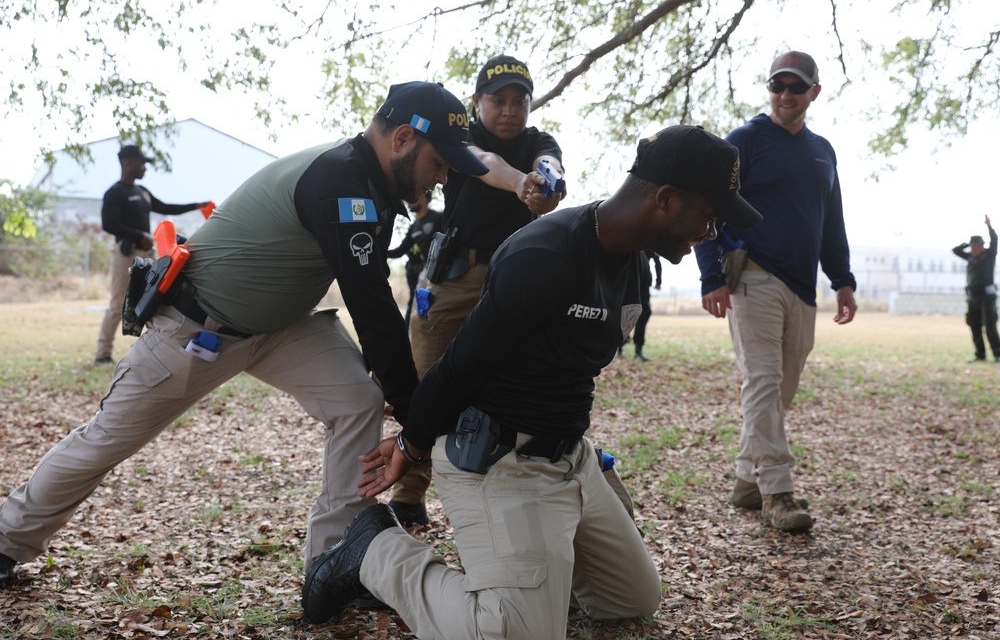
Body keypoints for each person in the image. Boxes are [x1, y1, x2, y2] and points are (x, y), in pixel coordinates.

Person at [0, 81, 488, 590]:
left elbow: (370, 299)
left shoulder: (377, 182)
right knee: (104, 441)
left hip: (280, 325)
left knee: (357, 401)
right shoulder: (340, 178)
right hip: (196, 327)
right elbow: (371, 302)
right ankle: (5, 540)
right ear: (404, 138)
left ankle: (335, 563)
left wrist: (396, 393)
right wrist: (417, 420)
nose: (445, 175)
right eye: (441, 161)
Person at [300, 125, 763, 639]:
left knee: (630, 597)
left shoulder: (629, 264)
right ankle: (373, 548)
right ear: (667, 199)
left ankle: (543, 568)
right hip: (498, 459)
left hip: (569, 460)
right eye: (709, 215)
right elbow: (459, 368)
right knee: (516, 634)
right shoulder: (546, 255)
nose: (710, 231)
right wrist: (412, 442)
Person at [392, 54, 567, 526]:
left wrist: (547, 179)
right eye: (498, 100)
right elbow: (485, 163)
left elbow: (548, 161)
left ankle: (508, 492)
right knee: (425, 383)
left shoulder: (538, 142)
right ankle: (408, 495)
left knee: (515, 386)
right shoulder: (460, 135)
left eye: (519, 101)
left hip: (516, 282)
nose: (508, 110)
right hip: (453, 278)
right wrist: (522, 184)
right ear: (477, 102)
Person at [694, 50, 857, 533]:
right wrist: (711, 276)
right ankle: (777, 493)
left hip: (803, 287)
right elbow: (707, 205)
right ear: (769, 90)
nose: (785, 95)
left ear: (814, 93)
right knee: (762, 381)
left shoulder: (823, 150)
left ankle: (747, 479)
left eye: (796, 87)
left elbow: (831, 221)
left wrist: (843, 280)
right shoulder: (743, 141)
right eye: (777, 86)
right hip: (753, 278)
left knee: (781, 390)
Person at [95, 145, 210, 364]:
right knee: (118, 302)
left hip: (148, 253)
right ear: (129, 163)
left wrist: (196, 205)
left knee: (154, 300)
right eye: (142, 163)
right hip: (125, 254)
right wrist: (138, 235)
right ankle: (103, 354)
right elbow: (108, 223)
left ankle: (152, 350)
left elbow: (166, 207)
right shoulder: (115, 192)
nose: (145, 168)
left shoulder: (143, 192)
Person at [386, 193, 444, 325]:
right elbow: (400, 250)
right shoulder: (414, 226)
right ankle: (410, 334)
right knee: (415, 302)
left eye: (413, 198)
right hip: (427, 271)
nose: (409, 202)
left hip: (443, 272)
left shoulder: (438, 218)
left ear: (423, 199)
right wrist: (380, 252)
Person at [952, 215, 1000, 362]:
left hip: (987, 297)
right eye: (971, 246)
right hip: (973, 297)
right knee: (974, 324)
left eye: (975, 246)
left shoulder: (989, 255)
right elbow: (955, 250)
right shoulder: (970, 257)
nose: (973, 249)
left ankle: (998, 354)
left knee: (990, 326)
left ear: (981, 246)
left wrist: (989, 227)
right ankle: (980, 354)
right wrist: (966, 245)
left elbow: (995, 241)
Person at [619, 251, 662, 360]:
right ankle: (620, 345)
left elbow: (657, 261)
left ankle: (637, 349)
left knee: (643, 314)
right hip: (628, 281)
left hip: (641, 282)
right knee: (622, 312)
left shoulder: (649, 241)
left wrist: (658, 281)